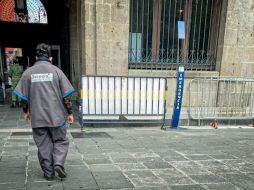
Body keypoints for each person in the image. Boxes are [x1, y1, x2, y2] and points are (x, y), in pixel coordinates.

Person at [13, 43, 75, 180]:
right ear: (50, 58)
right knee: (60, 141)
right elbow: (67, 96)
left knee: (43, 144)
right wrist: (69, 113)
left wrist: (26, 111)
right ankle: (58, 163)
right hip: (57, 116)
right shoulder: (57, 71)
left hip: (37, 117)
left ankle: (48, 173)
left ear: (36, 57)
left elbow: (24, 97)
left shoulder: (27, 73)